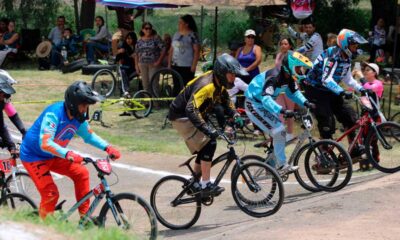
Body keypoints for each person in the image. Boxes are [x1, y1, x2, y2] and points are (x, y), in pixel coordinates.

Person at [20, 81, 121, 219]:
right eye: (83, 105)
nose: (85, 109)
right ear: (73, 104)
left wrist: (108, 147)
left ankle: (84, 217)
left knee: (81, 173)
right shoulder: (54, 114)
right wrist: (68, 154)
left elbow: (89, 136)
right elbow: (45, 143)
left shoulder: (78, 118)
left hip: (53, 156)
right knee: (51, 193)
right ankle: (45, 229)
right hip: (34, 156)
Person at [168, 53, 247, 196]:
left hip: (194, 113)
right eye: (232, 74)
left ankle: (194, 182)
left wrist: (235, 115)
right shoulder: (207, 85)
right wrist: (208, 129)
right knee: (209, 143)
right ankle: (205, 185)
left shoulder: (218, 83)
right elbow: (191, 109)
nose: (234, 78)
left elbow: (226, 101)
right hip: (182, 116)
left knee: (205, 145)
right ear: (222, 72)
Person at [304, 29, 369, 160]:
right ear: (345, 44)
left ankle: (353, 149)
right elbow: (326, 79)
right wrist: (341, 91)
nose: (356, 48)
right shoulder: (333, 56)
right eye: (354, 45)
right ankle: (323, 155)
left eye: (357, 45)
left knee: (349, 116)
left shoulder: (347, 57)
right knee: (327, 121)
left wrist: (361, 88)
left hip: (329, 90)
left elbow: (348, 79)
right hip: (315, 90)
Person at [245, 51, 314, 173]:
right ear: (290, 67)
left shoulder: (288, 77)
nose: (300, 71)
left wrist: (306, 102)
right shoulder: (274, 77)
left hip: (265, 104)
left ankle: (270, 163)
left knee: (278, 132)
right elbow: (266, 98)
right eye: (298, 68)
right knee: (279, 130)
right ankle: (282, 165)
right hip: (254, 104)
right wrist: (282, 110)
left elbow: (294, 93)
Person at [275, 37, 297, 142]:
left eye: (286, 43)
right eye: (282, 43)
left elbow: (298, 69)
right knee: (280, 109)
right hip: (279, 85)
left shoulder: (293, 55)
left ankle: (290, 133)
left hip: (290, 85)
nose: (283, 45)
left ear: (290, 45)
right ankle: (281, 132)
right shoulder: (278, 55)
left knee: (290, 110)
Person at [168, 14, 200, 86]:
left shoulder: (193, 35)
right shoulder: (176, 34)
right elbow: (171, 49)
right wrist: (169, 63)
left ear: (186, 24)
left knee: (186, 85)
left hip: (187, 66)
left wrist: (194, 65)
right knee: (176, 85)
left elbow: (197, 51)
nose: (179, 24)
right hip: (175, 65)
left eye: (180, 23)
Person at [135, 22, 165, 95]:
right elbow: (136, 53)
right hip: (142, 64)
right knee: (145, 84)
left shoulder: (156, 38)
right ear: (142, 30)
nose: (148, 30)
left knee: (154, 82)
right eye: (146, 28)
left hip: (153, 64)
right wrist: (136, 65)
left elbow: (164, 49)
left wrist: (158, 61)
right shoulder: (139, 40)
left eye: (150, 28)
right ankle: (148, 102)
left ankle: (156, 103)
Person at [0, 70, 26, 155]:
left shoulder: (3, 98)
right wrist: (10, 145)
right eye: (5, 93)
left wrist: (24, 132)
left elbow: (13, 116)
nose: (8, 95)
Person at [116, 31, 137, 96]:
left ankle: (125, 89)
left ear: (133, 39)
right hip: (125, 67)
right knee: (123, 71)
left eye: (130, 38)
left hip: (134, 67)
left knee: (126, 77)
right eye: (127, 38)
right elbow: (118, 59)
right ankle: (126, 91)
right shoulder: (123, 47)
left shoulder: (136, 46)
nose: (128, 40)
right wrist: (119, 52)